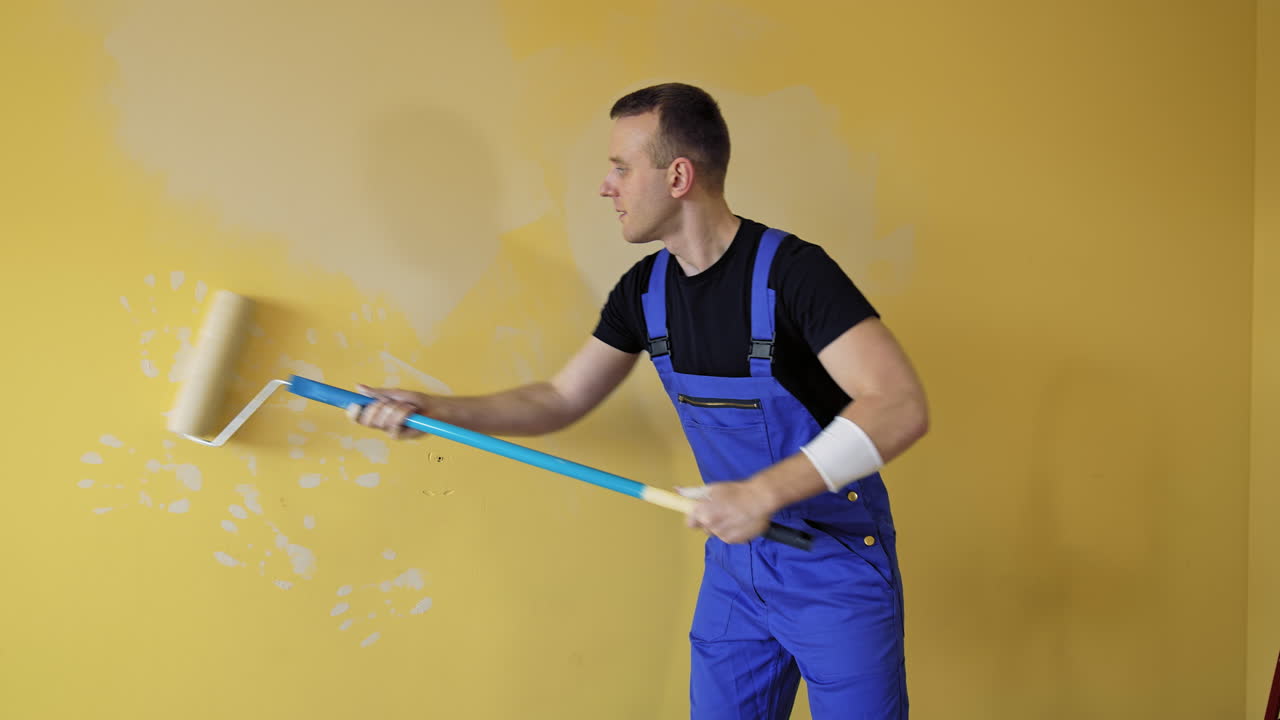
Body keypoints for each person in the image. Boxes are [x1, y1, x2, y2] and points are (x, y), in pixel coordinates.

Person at [348, 82, 928, 719]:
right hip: (736, 567)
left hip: (831, 564)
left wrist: (761, 494)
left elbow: (897, 404)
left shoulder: (793, 274)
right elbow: (560, 397)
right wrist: (436, 408)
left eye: (621, 168)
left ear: (678, 176)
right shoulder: (645, 292)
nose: (606, 187)